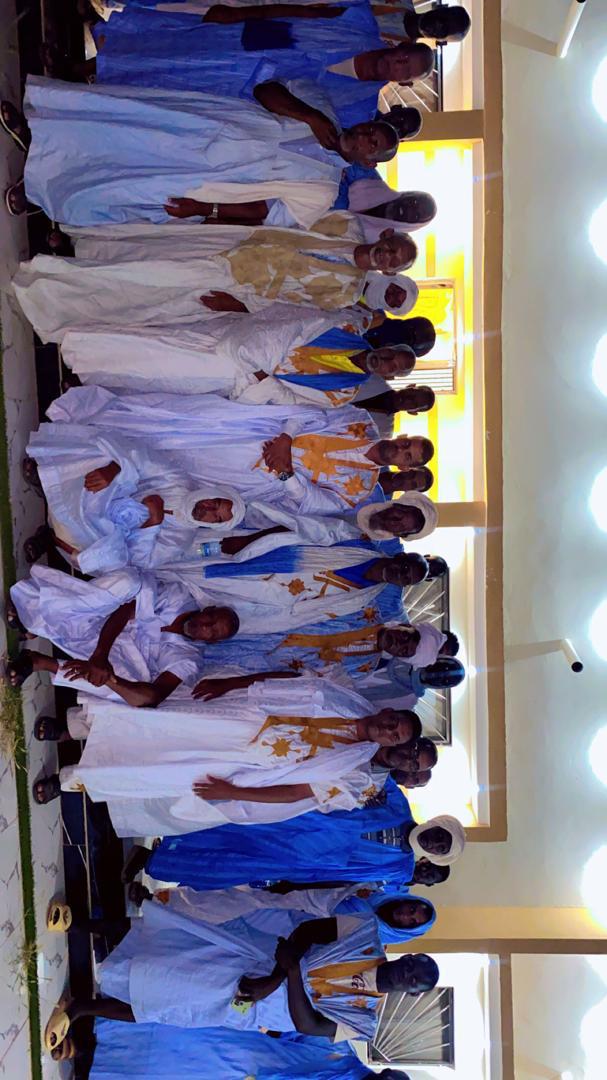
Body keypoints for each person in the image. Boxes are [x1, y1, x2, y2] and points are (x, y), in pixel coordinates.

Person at [43, 897, 439, 1053]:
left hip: (258, 1005)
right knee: (172, 934)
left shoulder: (364, 1021)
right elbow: (309, 931)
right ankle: (81, 925)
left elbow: (309, 1025)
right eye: (411, 965)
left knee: (171, 1004)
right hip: (256, 958)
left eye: (412, 981)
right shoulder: (364, 934)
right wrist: (277, 974)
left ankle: (80, 1009)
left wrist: (288, 975)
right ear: (409, 955)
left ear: (412, 994)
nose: (404, 974)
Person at [43, 676, 422, 834]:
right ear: (388, 712)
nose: (389, 732)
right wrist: (233, 683)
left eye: (395, 738)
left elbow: (297, 792)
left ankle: (71, 779)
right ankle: (70, 728)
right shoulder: (347, 696)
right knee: (155, 725)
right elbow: (288, 680)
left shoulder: (354, 768)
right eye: (394, 724)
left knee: (161, 770)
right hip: (239, 719)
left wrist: (235, 792)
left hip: (247, 764)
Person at [4, 80, 399, 228]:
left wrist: (205, 209)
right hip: (203, 123)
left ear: (368, 163)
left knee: (123, 181)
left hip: (210, 177)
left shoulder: (323, 192)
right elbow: (266, 90)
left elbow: (264, 215)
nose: (366, 136)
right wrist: (309, 116)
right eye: (371, 129)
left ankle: (39, 190)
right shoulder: (323, 108)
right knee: (118, 128)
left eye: (373, 144)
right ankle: (35, 130)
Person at [13, 212, 418, 343]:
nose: (386, 255)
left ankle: (55, 295)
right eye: (391, 247)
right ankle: (72, 255)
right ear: (387, 236)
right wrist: (221, 215)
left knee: (143, 284)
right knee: (142, 249)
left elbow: (289, 307)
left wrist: (238, 306)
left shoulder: (344, 294)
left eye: (393, 261)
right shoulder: (344, 225)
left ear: (389, 271)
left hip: (233, 282)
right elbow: (284, 217)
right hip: (233, 240)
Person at [41, 385, 433, 518]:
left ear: (404, 467)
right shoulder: (360, 421)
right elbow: (312, 412)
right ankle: (79, 427)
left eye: (408, 457)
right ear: (405, 434)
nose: (402, 450)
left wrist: (286, 473)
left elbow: (314, 503)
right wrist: (286, 438)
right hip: (256, 433)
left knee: (163, 466)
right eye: (408, 443)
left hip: (254, 476)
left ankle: (69, 463)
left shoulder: (360, 489)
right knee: (167, 425)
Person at [126, 777, 462, 893]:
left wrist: (300, 881)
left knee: (231, 866)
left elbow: (348, 880)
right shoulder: (398, 802)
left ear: (435, 856)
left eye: (439, 847)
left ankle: (156, 861)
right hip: (299, 820)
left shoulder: (400, 869)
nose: (433, 842)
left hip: (303, 860)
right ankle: (154, 822)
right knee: (227, 825)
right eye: (440, 835)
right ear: (436, 822)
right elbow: (363, 777)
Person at [55, 301, 417, 405]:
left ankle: (85, 375)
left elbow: (293, 402)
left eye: (392, 368)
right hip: (230, 342)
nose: (386, 362)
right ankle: (77, 346)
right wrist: (257, 356)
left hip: (238, 378)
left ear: (389, 378)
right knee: (154, 344)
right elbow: (293, 322)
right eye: (391, 355)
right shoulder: (345, 328)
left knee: (158, 379)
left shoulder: (343, 393)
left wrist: (261, 378)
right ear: (386, 346)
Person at [6, 564, 239, 714]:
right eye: (210, 619)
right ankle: (32, 614)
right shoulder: (180, 597)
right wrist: (100, 654)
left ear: (212, 642)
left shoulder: (189, 660)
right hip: (106, 616)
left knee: (130, 689)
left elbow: (154, 696)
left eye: (212, 632)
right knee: (126, 583)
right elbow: (126, 611)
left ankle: (38, 661)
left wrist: (109, 678)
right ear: (208, 608)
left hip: (115, 652)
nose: (204, 626)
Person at [164, 543, 422, 634]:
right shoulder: (357, 545)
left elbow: (310, 614)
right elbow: (304, 533)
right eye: (404, 567)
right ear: (400, 556)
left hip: (268, 605)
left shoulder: (360, 601)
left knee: (191, 606)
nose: (400, 574)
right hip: (264, 564)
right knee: (188, 567)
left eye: (406, 579)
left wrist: (271, 618)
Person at [84, 1021, 409, 1079]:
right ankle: (88, 1039)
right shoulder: (343, 1054)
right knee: (174, 1042)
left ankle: (88, 1064)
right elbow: (295, 1030)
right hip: (243, 1053)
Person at [359, 656, 465, 711]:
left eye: (445, 679)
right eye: (443, 668)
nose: (438, 674)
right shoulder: (405, 651)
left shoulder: (407, 702)